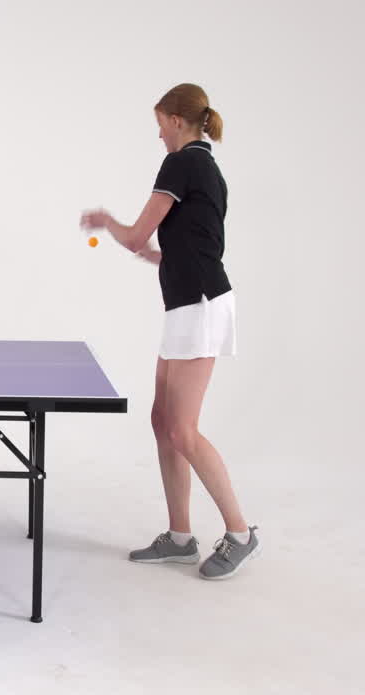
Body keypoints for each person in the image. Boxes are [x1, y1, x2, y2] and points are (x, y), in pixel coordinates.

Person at [80, 83, 259, 580]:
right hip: (189, 302)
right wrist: (161, 256)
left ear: (178, 121)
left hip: (200, 306)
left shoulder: (182, 163)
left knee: (182, 428)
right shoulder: (207, 168)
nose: (158, 133)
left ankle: (242, 534)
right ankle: (180, 537)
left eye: (160, 123)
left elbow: (137, 233)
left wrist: (108, 223)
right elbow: (200, 241)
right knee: (163, 421)